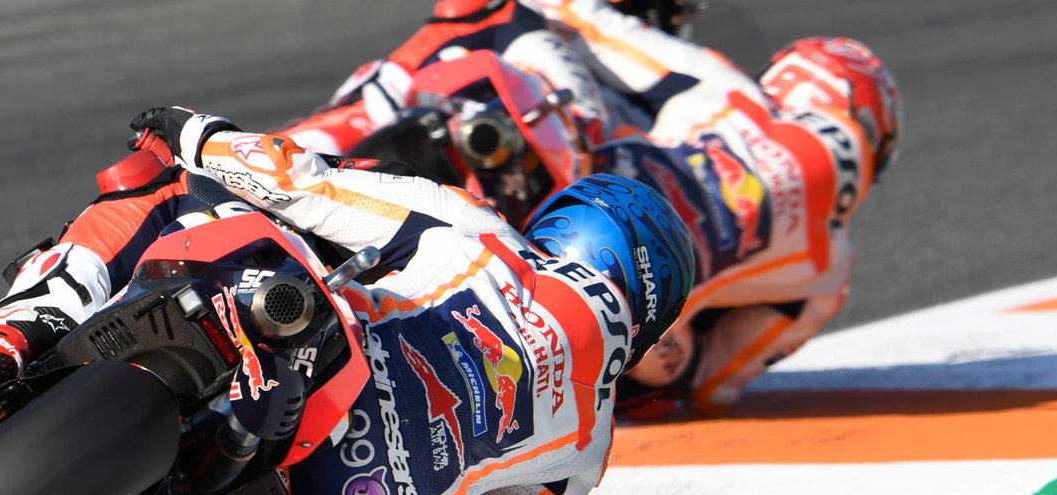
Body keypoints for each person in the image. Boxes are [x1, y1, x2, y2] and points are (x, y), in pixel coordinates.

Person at [0, 108, 696, 495]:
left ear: (567, 226)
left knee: (163, 195)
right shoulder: (586, 454)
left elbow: (306, 184)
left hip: (318, 355)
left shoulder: (485, 237)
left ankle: (5, 332)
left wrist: (193, 135)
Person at [283, 0, 900, 416]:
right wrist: (671, 352)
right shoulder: (827, 279)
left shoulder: (737, 98)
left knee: (482, 24)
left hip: (579, 178)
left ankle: (304, 148)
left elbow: (591, 21)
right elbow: (713, 381)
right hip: (616, 306)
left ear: (796, 82)